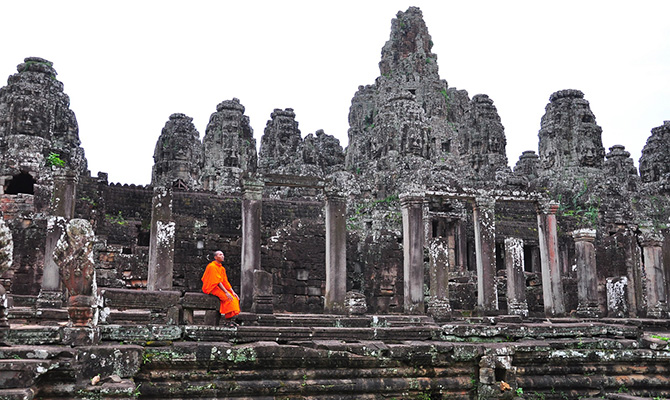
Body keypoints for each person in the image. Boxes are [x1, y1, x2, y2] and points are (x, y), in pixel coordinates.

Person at [201, 251, 240, 321]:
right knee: (229, 299)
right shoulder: (212, 266)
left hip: (219, 287)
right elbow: (217, 281)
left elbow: (225, 281)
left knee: (234, 297)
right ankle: (228, 321)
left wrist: (232, 291)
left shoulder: (222, 268)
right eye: (220, 254)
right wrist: (226, 292)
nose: (222, 256)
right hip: (211, 288)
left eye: (223, 254)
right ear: (215, 257)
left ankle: (231, 320)